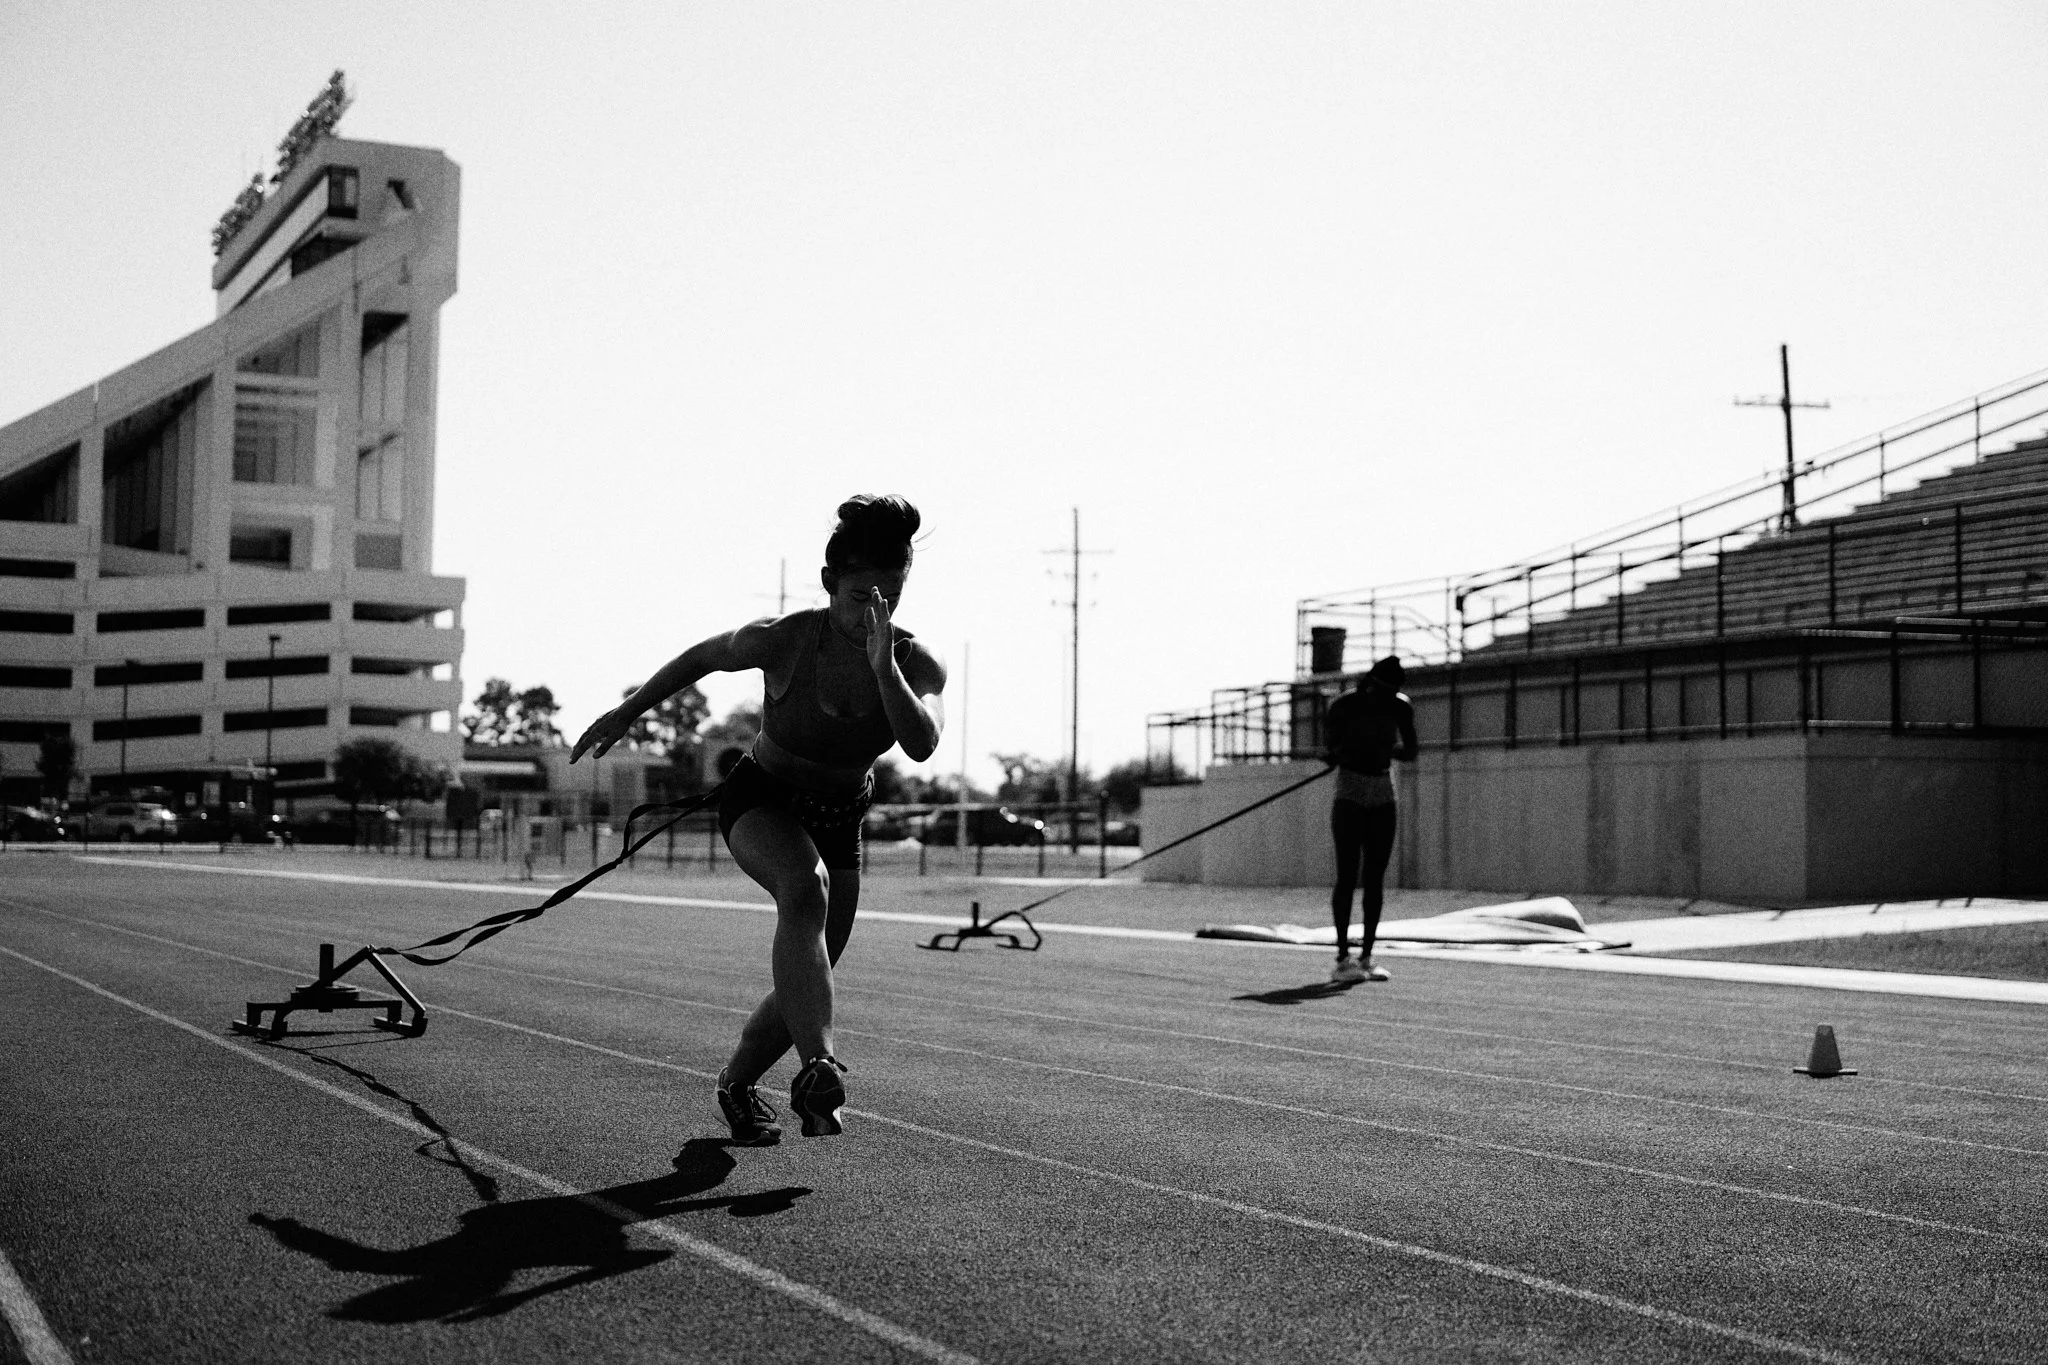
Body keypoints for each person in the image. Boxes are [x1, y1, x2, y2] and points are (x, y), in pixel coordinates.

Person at [571, 495, 944, 1143]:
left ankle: (737, 1083)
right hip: (762, 797)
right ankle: (820, 1066)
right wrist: (628, 711)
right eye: (861, 595)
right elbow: (703, 656)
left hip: (840, 815)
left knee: (815, 965)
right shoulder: (784, 639)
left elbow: (922, 742)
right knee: (806, 888)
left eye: (892, 594)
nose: (875, 613)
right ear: (829, 582)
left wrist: (884, 669)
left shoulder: (915, 665)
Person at [1322, 655, 1417, 984]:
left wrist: (1384, 749)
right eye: (1382, 690)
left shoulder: (1401, 707)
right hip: (1350, 789)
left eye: (1392, 693)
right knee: (1348, 875)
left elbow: (1412, 750)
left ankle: (1367, 956)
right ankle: (1342, 957)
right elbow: (1332, 747)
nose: (1386, 698)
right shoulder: (1343, 706)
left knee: (1375, 878)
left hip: (1382, 790)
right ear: (1371, 683)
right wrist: (1345, 752)